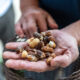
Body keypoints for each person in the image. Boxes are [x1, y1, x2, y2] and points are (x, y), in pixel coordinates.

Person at [3, 0, 80, 80]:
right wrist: (29, 7)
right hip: (40, 23)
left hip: (75, 34)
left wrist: (75, 34)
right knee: (37, 72)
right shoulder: (37, 44)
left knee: (72, 69)